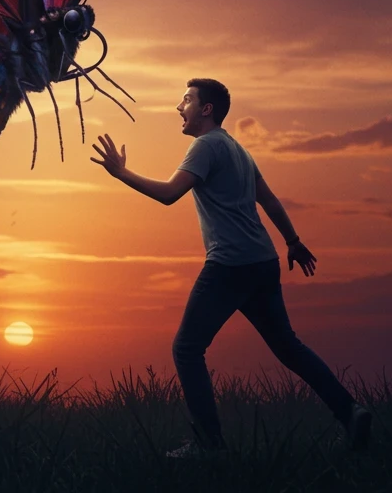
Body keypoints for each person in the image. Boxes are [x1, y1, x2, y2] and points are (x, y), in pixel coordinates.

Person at [90, 77, 372, 458]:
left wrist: (121, 173)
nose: (179, 107)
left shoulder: (205, 147)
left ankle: (209, 445)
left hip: (229, 264)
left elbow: (170, 194)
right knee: (288, 346)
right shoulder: (238, 150)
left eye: (186, 100)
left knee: (187, 349)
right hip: (262, 261)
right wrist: (292, 241)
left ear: (206, 109)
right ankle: (350, 411)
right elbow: (269, 201)